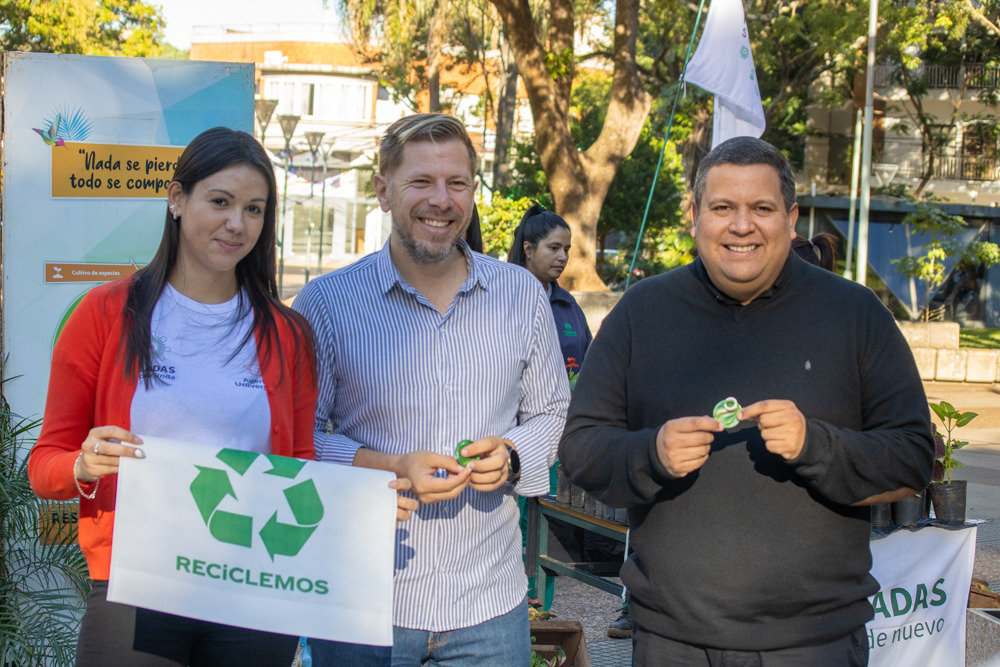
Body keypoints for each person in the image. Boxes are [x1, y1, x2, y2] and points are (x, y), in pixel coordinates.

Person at [559, 136, 935, 665]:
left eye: (762, 208)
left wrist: (816, 445)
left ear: (791, 218)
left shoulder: (855, 314)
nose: (742, 226)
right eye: (722, 208)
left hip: (815, 644)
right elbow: (580, 451)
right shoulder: (642, 312)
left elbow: (914, 459)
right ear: (694, 216)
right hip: (673, 642)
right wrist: (652, 454)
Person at [28, 127, 321, 666]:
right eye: (220, 201)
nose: (237, 223)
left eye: (254, 209)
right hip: (137, 583)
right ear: (177, 199)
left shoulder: (288, 334)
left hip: (252, 585)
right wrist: (85, 464)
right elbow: (45, 465)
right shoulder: (105, 314)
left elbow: (300, 464)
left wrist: (358, 510)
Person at [293, 113, 569, 666]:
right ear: (383, 191)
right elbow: (298, 439)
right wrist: (386, 465)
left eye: (457, 183)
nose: (440, 200)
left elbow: (552, 408)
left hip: (488, 603)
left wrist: (514, 453)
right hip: (361, 602)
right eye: (421, 182)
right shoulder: (325, 304)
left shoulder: (520, 294)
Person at [507, 203, 592, 370]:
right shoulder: (503, 300)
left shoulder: (569, 305)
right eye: (554, 248)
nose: (563, 257)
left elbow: (590, 363)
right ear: (528, 249)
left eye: (566, 250)